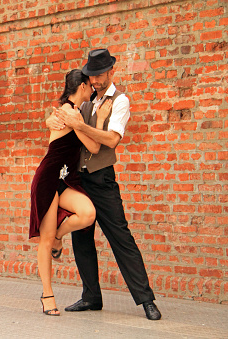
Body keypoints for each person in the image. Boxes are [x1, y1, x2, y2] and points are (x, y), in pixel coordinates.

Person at [46, 49, 162, 320]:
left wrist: (80, 125)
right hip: (78, 177)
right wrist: (52, 119)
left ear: (112, 72)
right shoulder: (85, 100)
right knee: (82, 238)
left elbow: (110, 140)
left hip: (102, 179)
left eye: (99, 74)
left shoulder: (121, 102)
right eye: (91, 75)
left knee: (121, 237)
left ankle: (146, 299)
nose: (95, 80)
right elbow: (58, 120)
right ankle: (91, 296)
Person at [29, 69, 112, 316]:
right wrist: (99, 120)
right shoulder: (68, 112)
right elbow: (94, 147)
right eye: (90, 85)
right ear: (83, 87)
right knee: (44, 239)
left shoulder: (70, 112)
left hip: (64, 179)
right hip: (47, 179)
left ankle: (58, 236)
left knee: (87, 213)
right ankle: (47, 295)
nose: (92, 89)